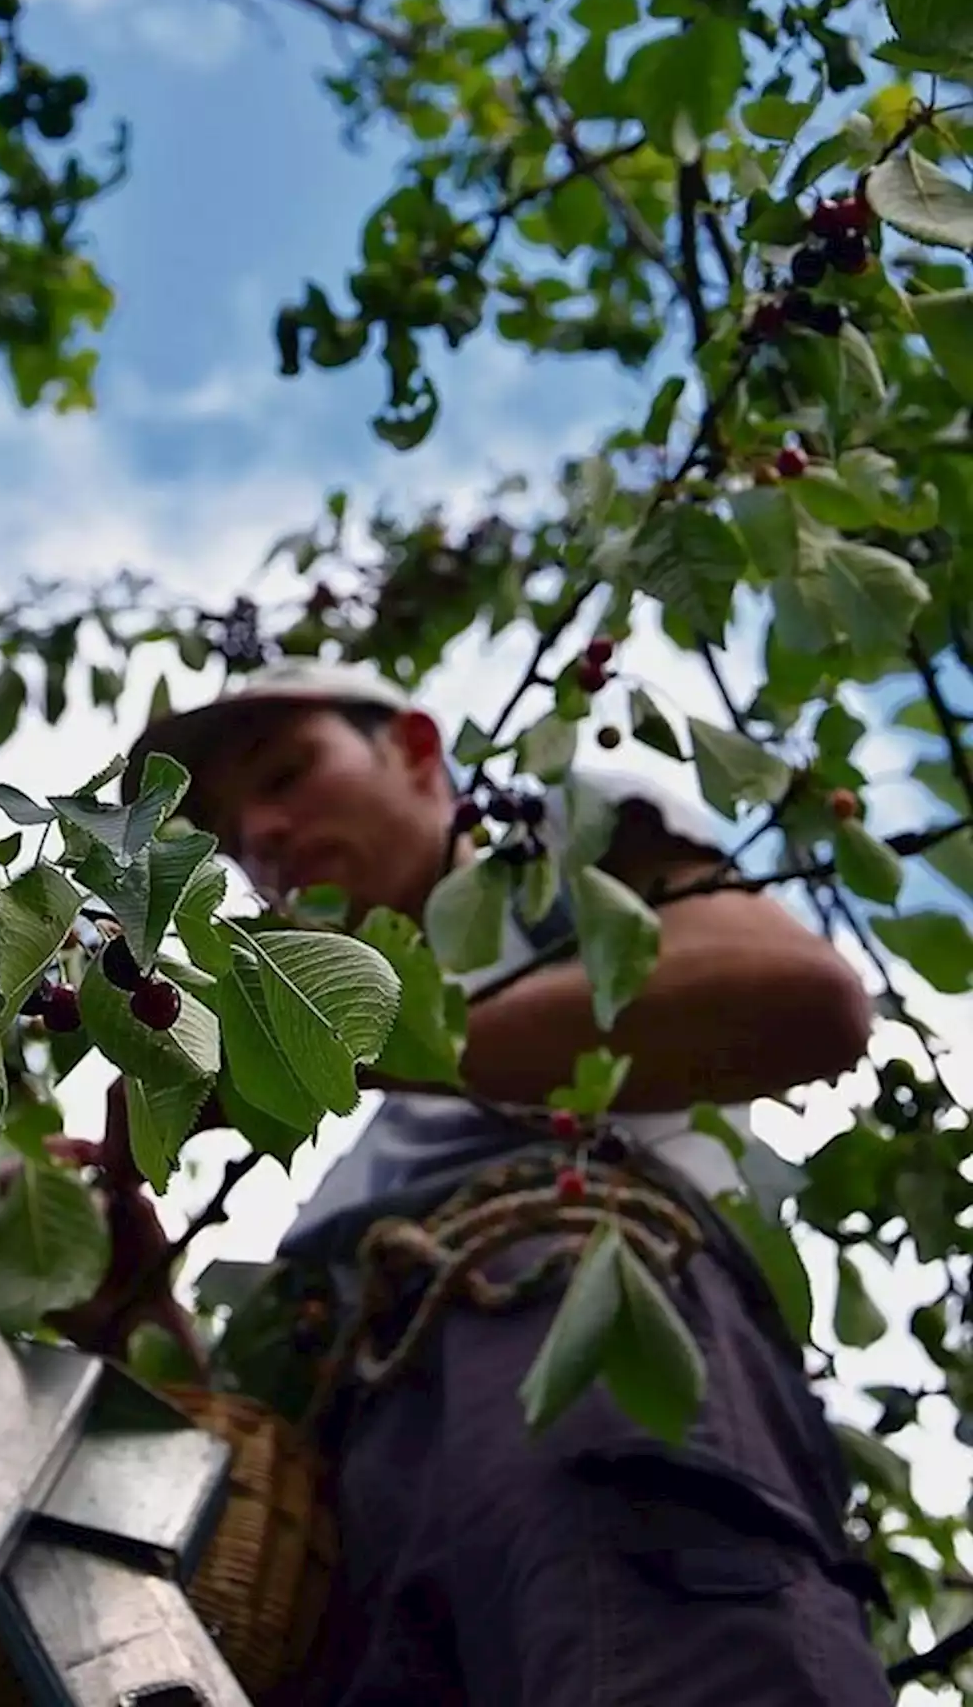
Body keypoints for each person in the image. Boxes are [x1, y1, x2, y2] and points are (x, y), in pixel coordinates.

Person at [45, 659, 898, 1705]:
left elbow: (799, 1000)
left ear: (411, 748)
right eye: (227, 831)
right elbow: (267, 1443)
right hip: (358, 1517)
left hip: (565, 1327)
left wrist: (327, 1043)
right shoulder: (360, 1171)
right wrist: (134, 1309)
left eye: (287, 772)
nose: (259, 834)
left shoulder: (556, 853)